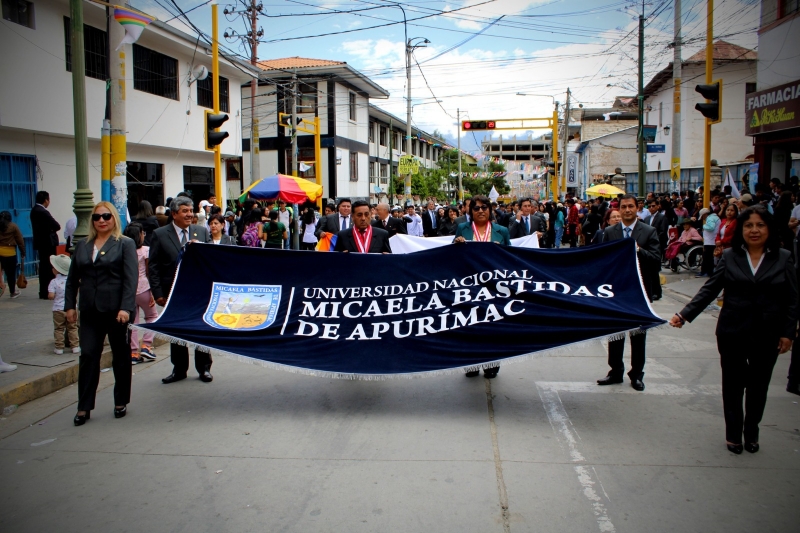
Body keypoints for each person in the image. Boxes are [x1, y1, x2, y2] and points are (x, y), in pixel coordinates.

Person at [670, 206, 797, 454]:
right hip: (732, 331)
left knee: (759, 387)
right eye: (749, 225)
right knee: (733, 386)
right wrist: (684, 314)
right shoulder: (730, 256)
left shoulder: (783, 257)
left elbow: (792, 299)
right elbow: (710, 289)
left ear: (769, 229)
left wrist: (788, 333)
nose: (754, 230)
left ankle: (751, 431)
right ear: (741, 229)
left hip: (767, 333)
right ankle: (733, 434)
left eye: (760, 225)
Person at [65, 202, 137, 426]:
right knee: (88, 355)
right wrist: (69, 306)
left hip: (116, 311)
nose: (102, 220)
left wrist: (126, 308)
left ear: (114, 218)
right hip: (89, 310)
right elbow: (72, 279)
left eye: (106, 216)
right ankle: (84, 406)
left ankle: (120, 400)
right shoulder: (83, 246)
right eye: (97, 217)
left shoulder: (124, 244)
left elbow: (130, 279)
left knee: (120, 355)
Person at [597, 195, 660, 391]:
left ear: (637, 208)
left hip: (639, 292)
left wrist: (639, 250)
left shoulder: (649, 232)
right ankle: (615, 371)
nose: (627, 210)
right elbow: (602, 260)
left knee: (638, 335)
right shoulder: (609, 232)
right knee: (615, 334)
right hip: (615, 291)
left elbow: (656, 260)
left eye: (631, 206)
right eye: (623, 207)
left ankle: (637, 374)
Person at [149, 196, 213, 384]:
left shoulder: (200, 232)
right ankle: (179, 369)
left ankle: (204, 368)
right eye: (185, 211)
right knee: (176, 330)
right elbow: (153, 267)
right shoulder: (160, 234)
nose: (189, 214)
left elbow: (211, 260)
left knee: (201, 329)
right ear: (174, 213)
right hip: (172, 291)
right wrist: (158, 293)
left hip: (199, 290)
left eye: (191, 210)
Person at [454, 195, 510, 379]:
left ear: (490, 210)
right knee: (469, 325)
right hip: (469, 287)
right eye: (476, 208)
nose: (480, 211)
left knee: (492, 327)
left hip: (494, 288)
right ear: (470, 212)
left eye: (484, 207)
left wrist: (500, 252)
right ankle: (470, 363)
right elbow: (451, 256)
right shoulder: (462, 229)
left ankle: (491, 364)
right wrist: (456, 245)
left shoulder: (502, 231)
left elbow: (512, 259)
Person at [122, 222, 158, 365]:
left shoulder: (124, 250)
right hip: (144, 288)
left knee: (134, 322)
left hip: (129, 290)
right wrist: (154, 293)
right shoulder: (146, 251)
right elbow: (150, 272)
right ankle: (147, 345)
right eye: (143, 233)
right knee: (152, 316)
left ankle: (133, 352)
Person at [30, 191, 61, 300]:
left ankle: (43, 291)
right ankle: (48, 291)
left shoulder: (34, 210)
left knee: (43, 268)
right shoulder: (43, 212)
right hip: (47, 243)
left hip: (40, 243)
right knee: (49, 268)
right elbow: (56, 225)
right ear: (46, 200)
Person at [48, 254, 79, 355]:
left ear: (56, 270)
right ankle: (75, 346)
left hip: (58, 309)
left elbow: (51, 295)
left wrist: (52, 295)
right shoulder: (72, 281)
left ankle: (59, 348)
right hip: (72, 308)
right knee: (73, 328)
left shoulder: (54, 282)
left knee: (59, 329)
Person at [0, 211, 25, 299]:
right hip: (10, 254)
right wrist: (23, 252)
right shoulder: (13, 226)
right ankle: (12, 292)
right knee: (10, 274)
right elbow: (20, 240)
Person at [697, 208, 720, 278]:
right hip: (711, 241)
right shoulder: (716, 218)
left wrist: (704, 226)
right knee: (708, 258)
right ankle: (707, 271)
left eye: (702, 216)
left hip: (710, 242)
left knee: (707, 258)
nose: (703, 218)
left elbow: (711, 227)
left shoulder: (710, 218)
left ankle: (708, 272)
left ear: (705, 214)